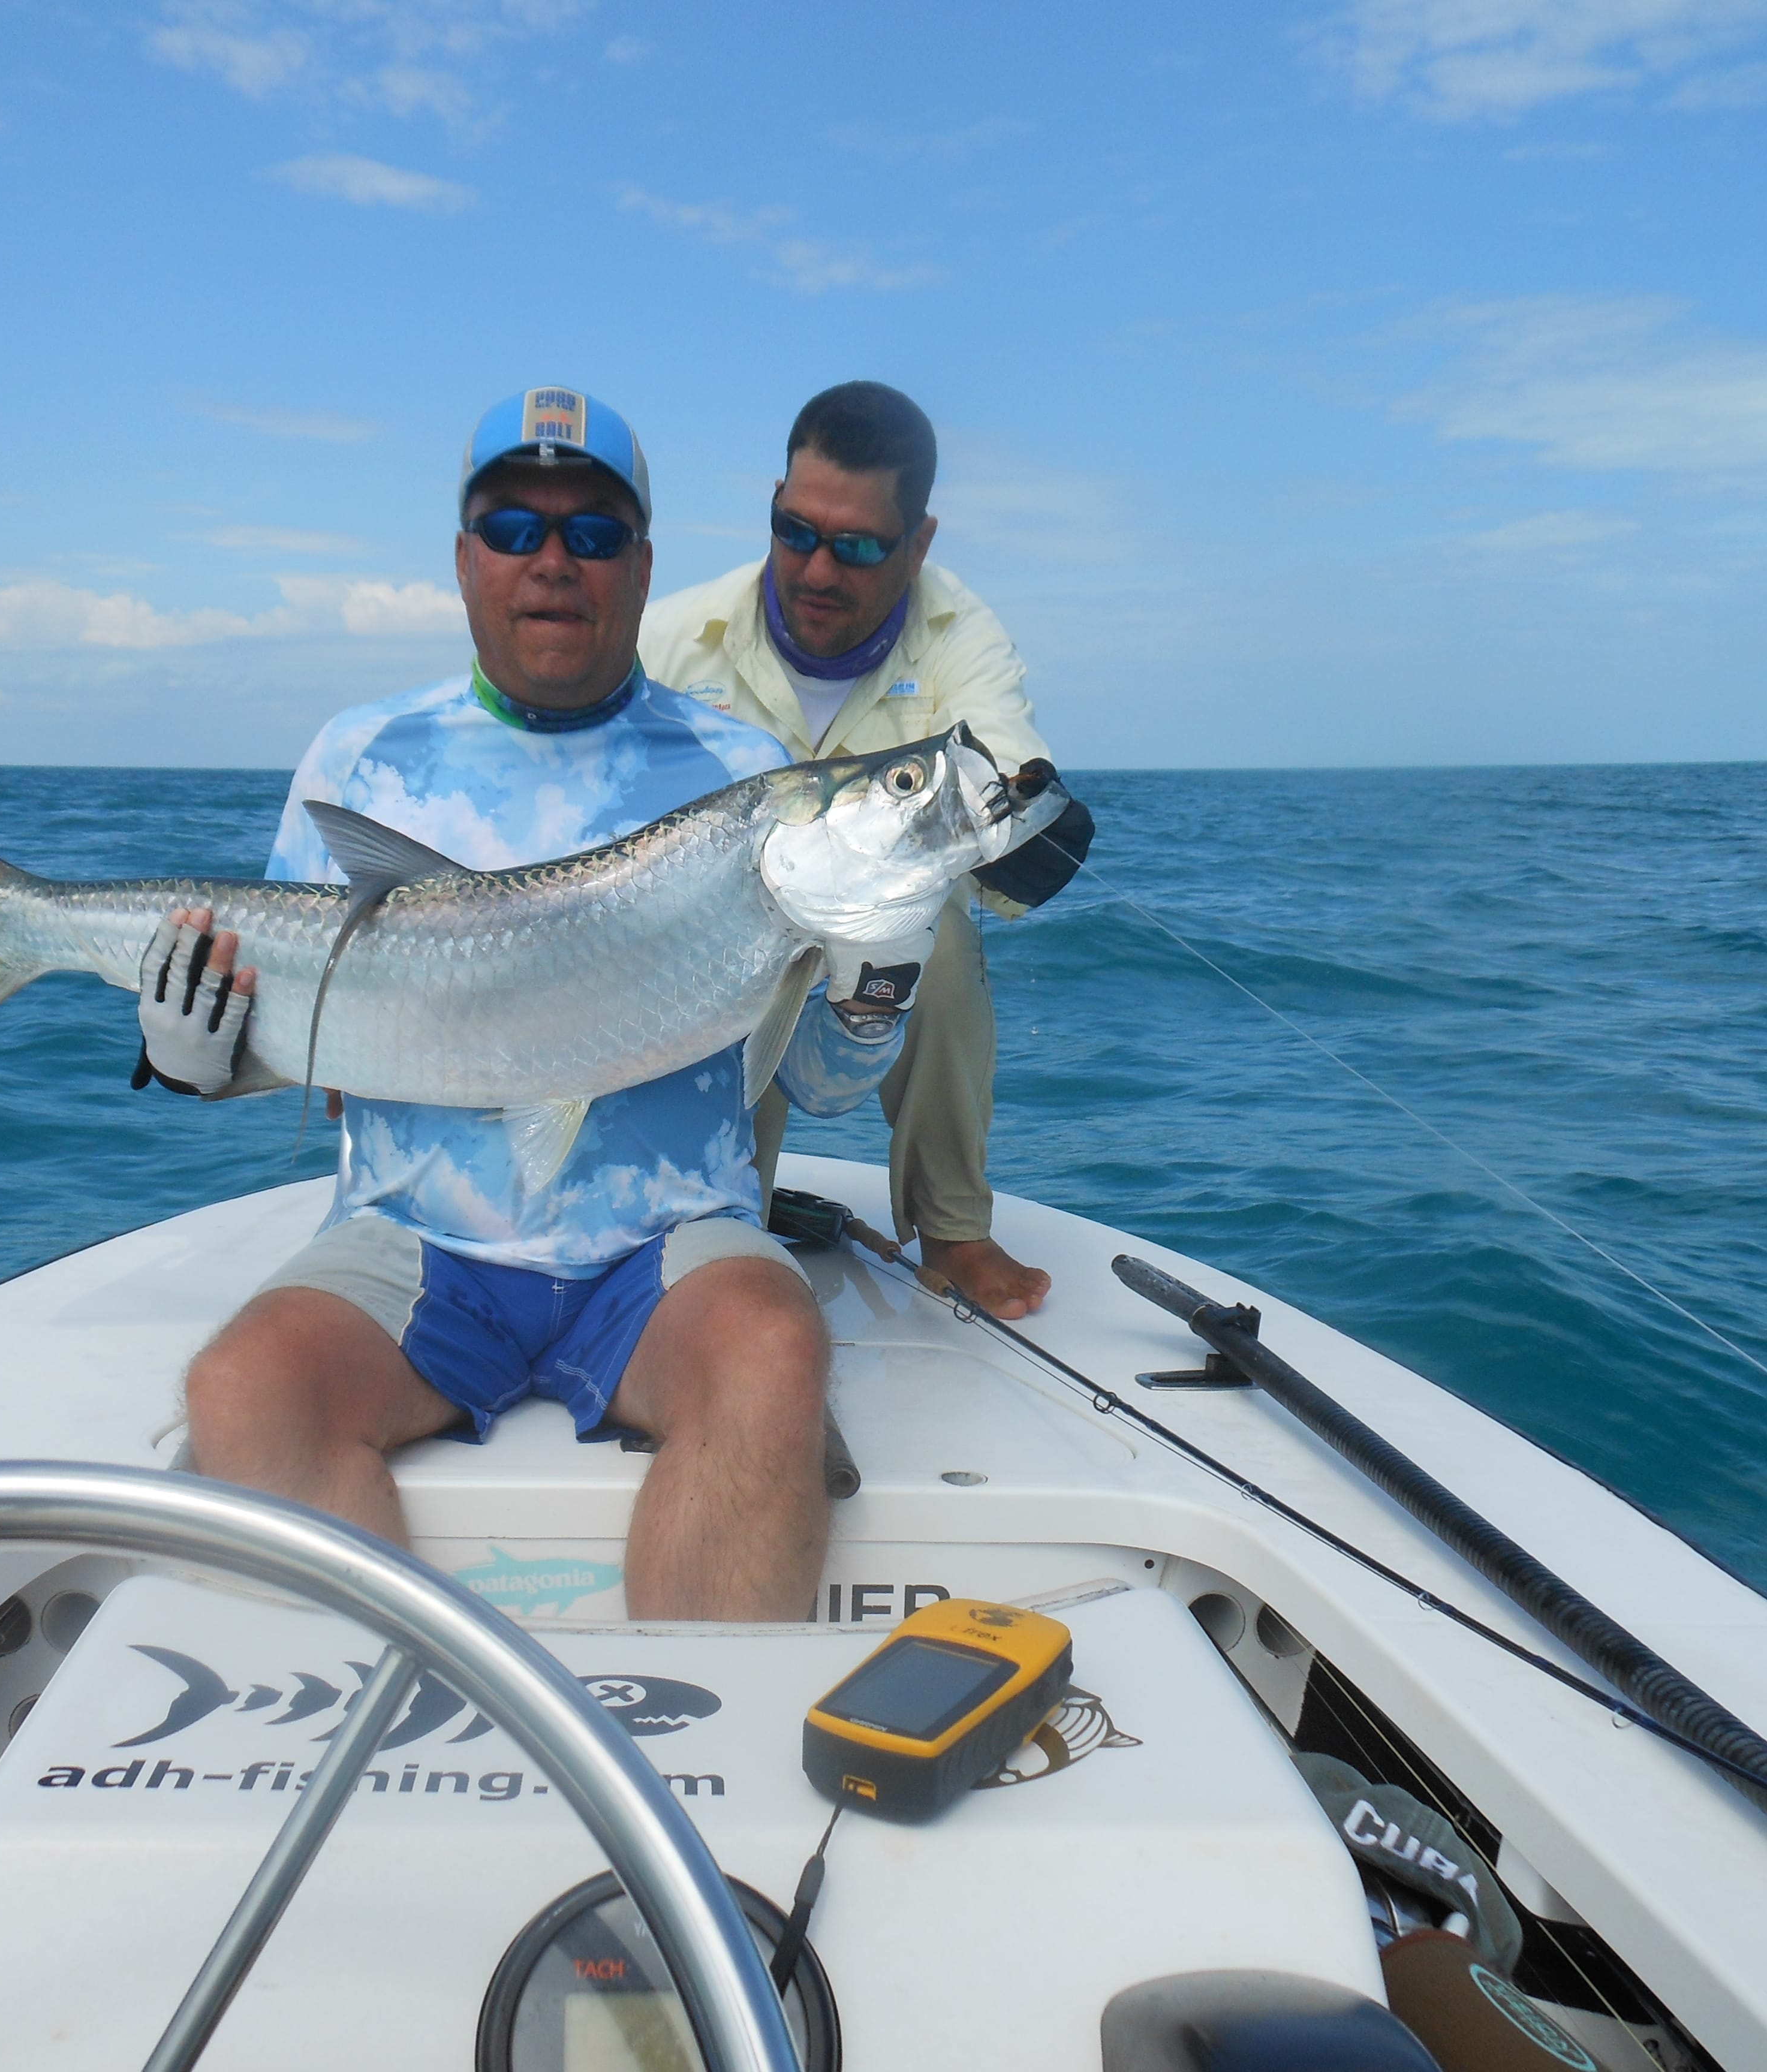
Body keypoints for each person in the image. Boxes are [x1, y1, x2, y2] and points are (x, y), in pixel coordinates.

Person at [127, 386, 916, 1622]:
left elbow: (817, 1083)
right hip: (415, 1244)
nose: (554, 563)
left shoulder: (750, 777)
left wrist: (877, 982)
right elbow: (305, 1037)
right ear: (462, 557)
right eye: (515, 528)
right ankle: (381, 1745)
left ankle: (687, 1779)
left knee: (773, 1350)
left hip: (666, 1249)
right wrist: (194, 1059)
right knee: (242, 1387)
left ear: (645, 566)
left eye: (594, 535)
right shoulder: (361, 760)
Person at [640, 381, 1091, 1321]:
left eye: (858, 548)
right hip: (728, 951)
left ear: (919, 544)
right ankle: (735, 1213)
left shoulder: (963, 634)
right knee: (722, 1259)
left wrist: (1034, 830)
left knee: (951, 945)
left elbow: (1005, 769)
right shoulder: (674, 638)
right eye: (796, 530)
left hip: (891, 948)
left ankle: (954, 1226)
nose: (816, 568)